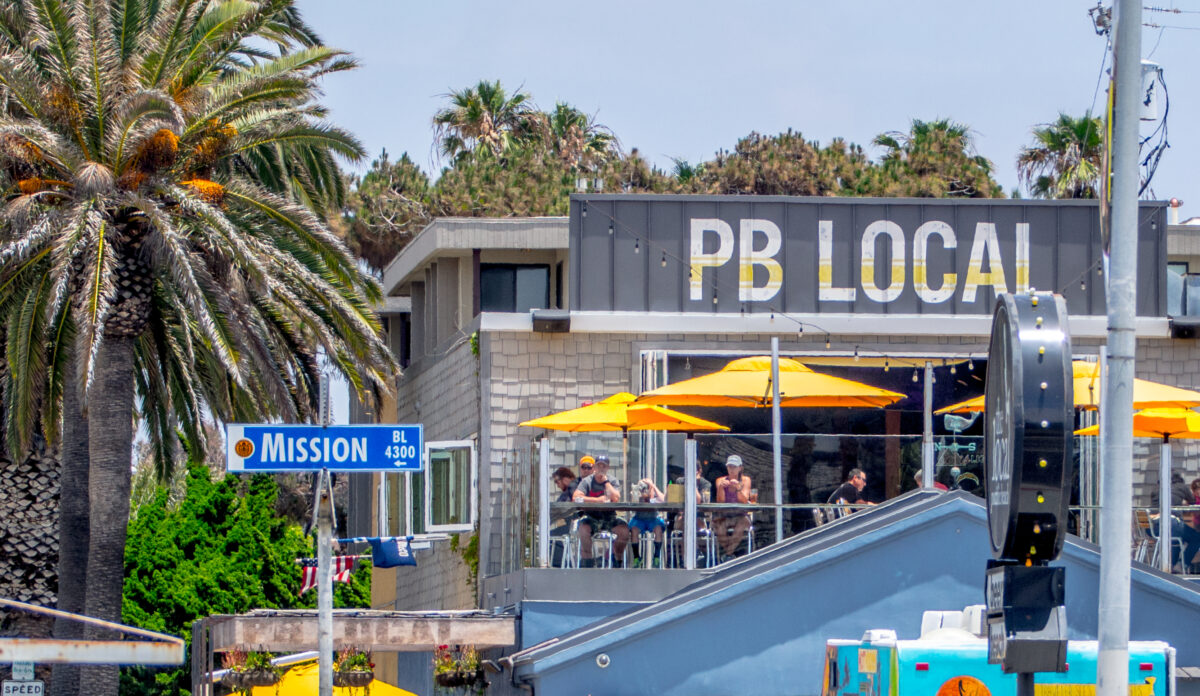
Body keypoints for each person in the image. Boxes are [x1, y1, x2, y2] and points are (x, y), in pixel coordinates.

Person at [573, 454, 630, 567]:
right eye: (599, 466)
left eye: (604, 466)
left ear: (607, 468)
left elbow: (615, 498)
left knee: (624, 530)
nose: (601, 469)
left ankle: (616, 559)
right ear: (594, 467)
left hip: (609, 517)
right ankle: (587, 561)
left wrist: (606, 482)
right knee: (583, 529)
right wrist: (597, 500)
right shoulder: (587, 481)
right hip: (591, 517)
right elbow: (576, 497)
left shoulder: (612, 480)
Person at [713, 455, 751, 560]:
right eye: (730, 467)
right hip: (725, 515)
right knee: (718, 525)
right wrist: (721, 488)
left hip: (740, 515)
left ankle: (728, 555)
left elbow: (744, 500)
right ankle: (730, 555)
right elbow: (720, 501)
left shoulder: (745, 480)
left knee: (742, 522)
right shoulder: (720, 480)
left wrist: (738, 489)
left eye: (734, 467)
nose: (732, 469)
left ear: (740, 468)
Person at [628, 478, 667, 567]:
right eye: (643, 488)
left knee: (658, 529)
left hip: (653, 519)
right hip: (639, 519)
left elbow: (663, 500)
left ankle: (656, 557)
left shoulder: (654, 495)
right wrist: (636, 492)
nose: (645, 490)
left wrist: (653, 486)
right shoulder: (638, 495)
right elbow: (632, 504)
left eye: (647, 487)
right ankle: (637, 557)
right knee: (634, 530)